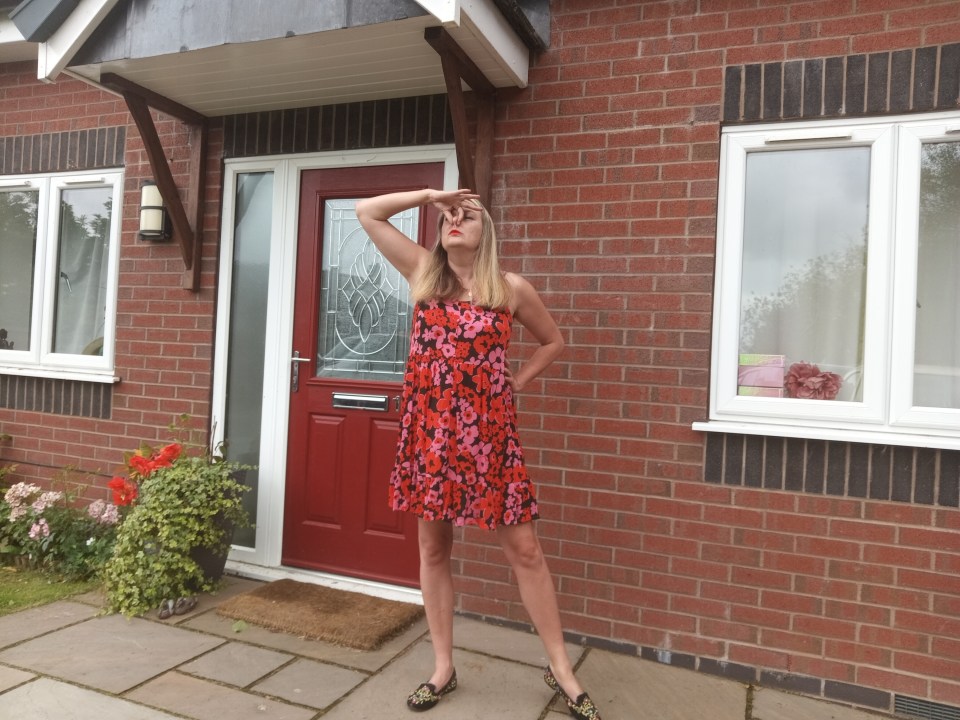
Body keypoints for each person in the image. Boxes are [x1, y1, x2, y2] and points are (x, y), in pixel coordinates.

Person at [356, 189, 602, 720]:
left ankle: (561, 669)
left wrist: (517, 381)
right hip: (431, 438)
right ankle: (442, 666)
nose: (454, 220)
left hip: (490, 439)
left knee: (526, 551)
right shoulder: (424, 273)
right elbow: (367, 212)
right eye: (448, 217)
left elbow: (552, 341)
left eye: (467, 215)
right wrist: (430, 195)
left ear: (485, 232)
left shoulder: (510, 289)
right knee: (434, 550)